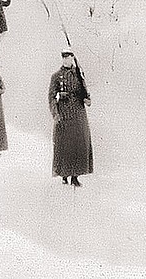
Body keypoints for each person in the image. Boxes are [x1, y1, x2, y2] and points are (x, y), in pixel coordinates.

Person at [48, 49, 93, 187]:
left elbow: (85, 92)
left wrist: (87, 98)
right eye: (64, 57)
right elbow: (51, 96)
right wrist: (56, 113)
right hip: (64, 112)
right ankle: (64, 175)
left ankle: (75, 176)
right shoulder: (56, 76)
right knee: (64, 145)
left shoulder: (79, 74)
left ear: (73, 58)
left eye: (69, 57)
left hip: (78, 112)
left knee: (79, 144)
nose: (67, 60)